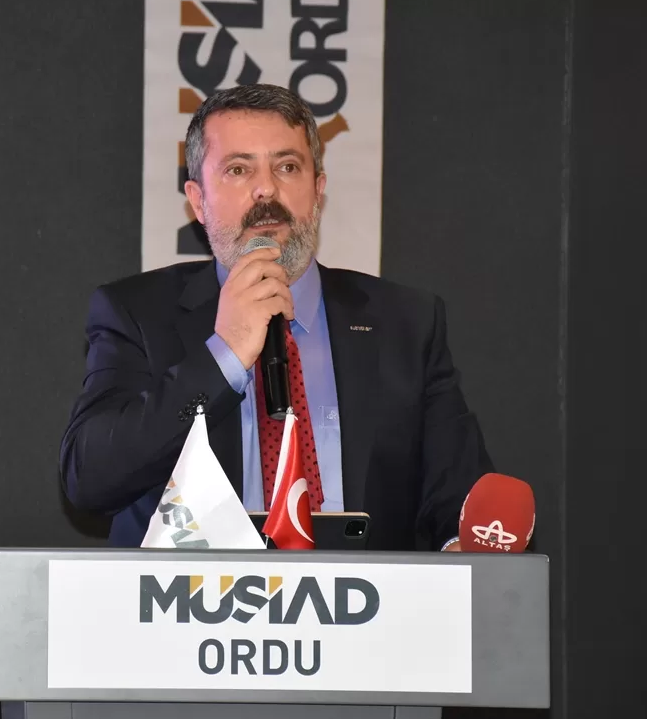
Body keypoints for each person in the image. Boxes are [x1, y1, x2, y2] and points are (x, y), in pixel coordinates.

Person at [59, 84, 493, 551]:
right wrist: (223, 355)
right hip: (196, 596)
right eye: (238, 169)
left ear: (318, 190)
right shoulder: (136, 314)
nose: (266, 188)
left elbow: (459, 499)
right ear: (198, 201)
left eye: (287, 166)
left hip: (361, 596)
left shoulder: (406, 322)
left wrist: (463, 547)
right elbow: (90, 479)